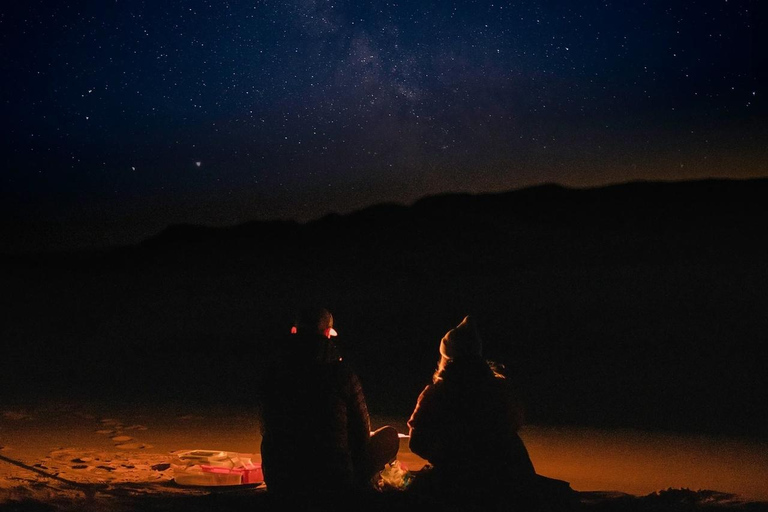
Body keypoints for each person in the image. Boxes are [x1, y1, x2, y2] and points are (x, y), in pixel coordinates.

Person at [257, 306, 400, 503]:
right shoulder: (342, 374)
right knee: (389, 437)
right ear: (328, 333)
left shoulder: (275, 372)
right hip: (335, 481)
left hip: (282, 480)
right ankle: (364, 485)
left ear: (294, 331)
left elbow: (267, 427)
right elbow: (361, 435)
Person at [406, 315, 543, 510]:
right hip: (511, 478)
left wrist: (449, 457)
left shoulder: (439, 392)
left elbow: (417, 442)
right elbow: (514, 424)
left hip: (463, 482)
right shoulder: (501, 390)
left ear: (447, 356)